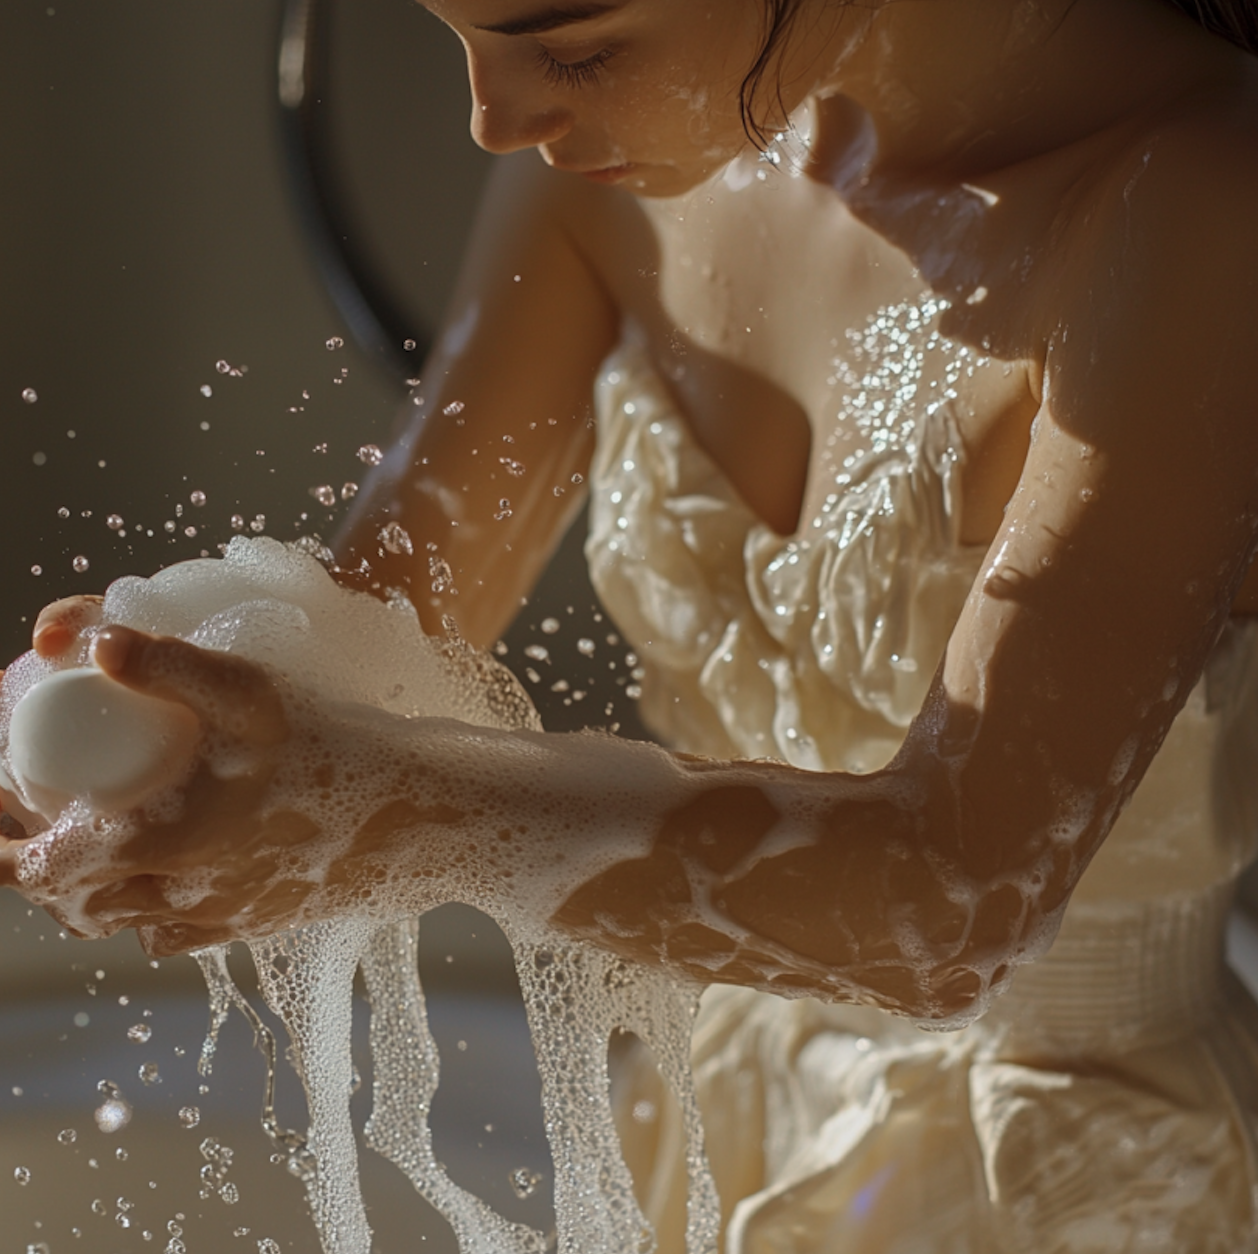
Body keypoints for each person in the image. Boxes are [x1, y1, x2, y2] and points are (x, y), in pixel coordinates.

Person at [7, 0, 1258, 1247]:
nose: (495, 120)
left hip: (1065, 1182)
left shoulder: (1195, 197)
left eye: (571, 44)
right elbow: (389, 626)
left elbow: (951, 901)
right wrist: (176, 707)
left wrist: (395, 816)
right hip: (713, 1121)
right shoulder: (628, 158)